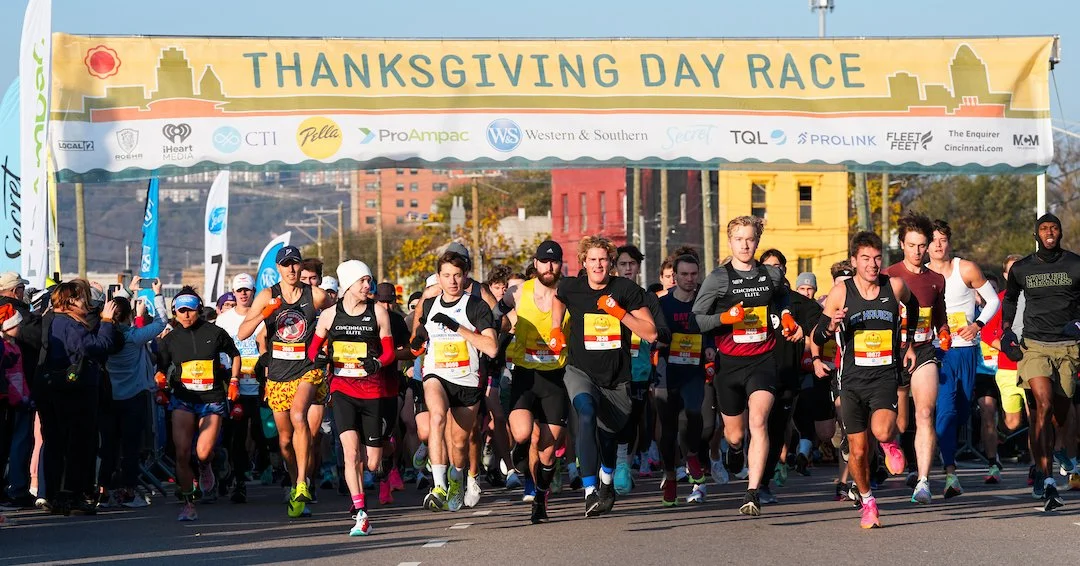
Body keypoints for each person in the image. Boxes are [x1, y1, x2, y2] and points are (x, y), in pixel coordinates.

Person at [691, 216, 803, 516]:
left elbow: (782, 300)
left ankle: (752, 492)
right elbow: (697, 318)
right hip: (729, 364)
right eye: (739, 239)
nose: (745, 244)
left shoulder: (771, 275)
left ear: (757, 241)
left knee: (759, 421)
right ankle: (736, 450)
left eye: (750, 239)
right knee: (735, 434)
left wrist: (787, 317)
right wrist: (724, 320)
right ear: (730, 242)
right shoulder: (718, 278)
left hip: (763, 360)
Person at [815, 231, 918, 528]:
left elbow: (913, 307)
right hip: (851, 381)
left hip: (885, 375)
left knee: (884, 431)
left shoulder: (894, 286)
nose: (872, 265)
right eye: (865, 259)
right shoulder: (841, 293)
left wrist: (908, 341)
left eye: (876, 259)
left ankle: (889, 443)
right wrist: (827, 334)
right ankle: (868, 500)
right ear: (854, 261)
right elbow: (818, 334)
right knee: (858, 451)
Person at [550, 236, 658, 517]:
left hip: (616, 378)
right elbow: (558, 299)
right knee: (585, 413)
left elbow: (650, 332)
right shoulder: (571, 287)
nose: (598, 265)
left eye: (603, 259)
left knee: (609, 438)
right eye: (592, 260)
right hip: (580, 370)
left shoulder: (625, 289)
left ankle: (606, 482)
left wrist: (618, 312)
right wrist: (555, 328)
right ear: (583, 263)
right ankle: (589, 491)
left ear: (611, 263)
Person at [238, 245, 334, 518]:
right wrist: (264, 314)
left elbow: (338, 316)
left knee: (298, 415)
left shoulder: (314, 295)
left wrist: (326, 345)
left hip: (308, 367)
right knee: (284, 440)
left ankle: (304, 481)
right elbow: (245, 331)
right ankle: (295, 485)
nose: (292, 269)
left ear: (301, 267)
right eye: (286, 264)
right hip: (278, 373)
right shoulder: (267, 295)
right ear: (278, 268)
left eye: (296, 264)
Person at [1001, 214, 1080, 511]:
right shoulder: (1022, 268)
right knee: (1042, 405)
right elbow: (1009, 299)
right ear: (1036, 234)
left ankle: (1057, 454)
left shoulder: (1075, 264)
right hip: (1034, 346)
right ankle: (1045, 478)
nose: (1050, 232)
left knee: (1060, 413)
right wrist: (1007, 331)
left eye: (1054, 228)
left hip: (1068, 348)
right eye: (1044, 228)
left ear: (1060, 232)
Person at [312, 261, 398, 536]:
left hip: (372, 391)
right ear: (348, 284)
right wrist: (320, 357)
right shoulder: (328, 316)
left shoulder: (379, 312)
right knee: (351, 454)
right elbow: (312, 350)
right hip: (342, 390)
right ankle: (361, 512)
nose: (367, 286)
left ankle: (382, 460)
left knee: (371, 462)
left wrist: (378, 364)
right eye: (362, 281)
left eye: (369, 280)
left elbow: (389, 353)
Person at [415, 251, 498, 512]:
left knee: (460, 444)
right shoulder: (429, 304)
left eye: (457, 276)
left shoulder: (476, 306)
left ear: (465, 278)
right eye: (447, 275)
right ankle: (438, 485)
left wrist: (456, 327)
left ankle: (456, 478)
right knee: (437, 417)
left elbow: (492, 348)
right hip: (436, 374)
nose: (452, 281)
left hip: (466, 380)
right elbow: (417, 335)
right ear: (438, 278)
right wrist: (417, 340)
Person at [927, 219, 999, 498]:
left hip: (967, 349)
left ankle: (942, 450)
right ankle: (950, 473)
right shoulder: (921, 274)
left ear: (949, 242)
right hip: (937, 351)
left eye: (942, 239)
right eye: (933, 240)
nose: (938, 245)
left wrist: (977, 325)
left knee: (961, 410)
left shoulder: (965, 268)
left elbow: (992, 301)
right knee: (944, 410)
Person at [158, 288, 240, 521]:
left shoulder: (215, 332)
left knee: (202, 453)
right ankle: (188, 503)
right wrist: (160, 380)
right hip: (183, 399)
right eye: (181, 310)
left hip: (211, 400)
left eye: (190, 310)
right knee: (182, 453)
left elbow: (234, 354)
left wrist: (234, 381)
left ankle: (205, 467)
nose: (185, 315)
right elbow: (161, 369)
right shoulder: (169, 339)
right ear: (174, 311)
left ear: (198, 310)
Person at [502, 241, 570, 523]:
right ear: (536, 263)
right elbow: (494, 312)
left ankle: (540, 498)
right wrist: (498, 328)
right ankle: (518, 455)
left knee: (548, 451)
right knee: (522, 434)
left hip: (556, 377)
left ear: (560, 265)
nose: (549, 267)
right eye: (544, 261)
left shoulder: (569, 292)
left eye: (554, 262)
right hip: (525, 374)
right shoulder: (519, 291)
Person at [883, 213, 948, 504]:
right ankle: (884, 451)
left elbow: (940, 319)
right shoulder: (887, 276)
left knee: (924, 413)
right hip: (889, 353)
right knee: (890, 422)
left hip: (923, 350)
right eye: (912, 245)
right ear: (902, 244)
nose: (918, 252)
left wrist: (945, 332)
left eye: (922, 245)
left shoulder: (936, 280)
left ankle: (923, 480)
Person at [37, 282, 117, 515]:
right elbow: (98, 345)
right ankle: (69, 495)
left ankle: (58, 494)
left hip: (58, 389)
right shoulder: (67, 324)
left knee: (58, 443)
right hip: (74, 391)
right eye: (83, 298)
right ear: (70, 301)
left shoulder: (55, 320)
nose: (87, 303)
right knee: (76, 444)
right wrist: (107, 321)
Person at [99, 277, 167, 508]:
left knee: (108, 447)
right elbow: (161, 322)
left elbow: (116, 314)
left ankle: (103, 491)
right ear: (129, 316)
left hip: (109, 398)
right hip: (133, 398)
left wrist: (127, 291)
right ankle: (128, 492)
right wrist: (157, 294)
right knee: (130, 448)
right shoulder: (134, 338)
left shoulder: (103, 336)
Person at [655, 253, 708, 505]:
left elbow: (712, 328)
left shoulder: (704, 302)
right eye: (684, 274)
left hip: (694, 370)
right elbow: (654, 333)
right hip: (667, 371)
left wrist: (709, 347)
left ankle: (693, 455)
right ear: (674, 276)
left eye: (693, 274)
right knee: (668, 429)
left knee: (694, 414)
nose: (689, 279)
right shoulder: (663, 304)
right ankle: (670, 477)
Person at [215, 273, 267, 503]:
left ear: (254, 291)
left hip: (260, 385)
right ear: (234, 293)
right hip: (234, 385)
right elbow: (217, 353)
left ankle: (268, 468)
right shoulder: (224, 320)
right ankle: (238, 481)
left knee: (262, 432)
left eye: (247, 289)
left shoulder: (264, 317)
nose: (244, 294)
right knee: (236, 436)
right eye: (239, 290)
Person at [981, 255, 1030, 484]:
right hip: (1008, 370)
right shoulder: (1000, 300)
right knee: (1013, 422)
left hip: (1033, 367)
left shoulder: (1036, 298)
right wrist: (1008, 349)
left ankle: (1038, 468)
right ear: (1005, 276)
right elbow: (987, 334)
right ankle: (1001, 432)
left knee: (1037, 418)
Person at [0, 272, 40, 509]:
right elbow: (36, 338)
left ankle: (11, 487)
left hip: (9, 392)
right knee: (20, 439)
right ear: (15, 291)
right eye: (22, 288)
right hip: (17, 391)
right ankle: (17, 488)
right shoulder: (17, 314)